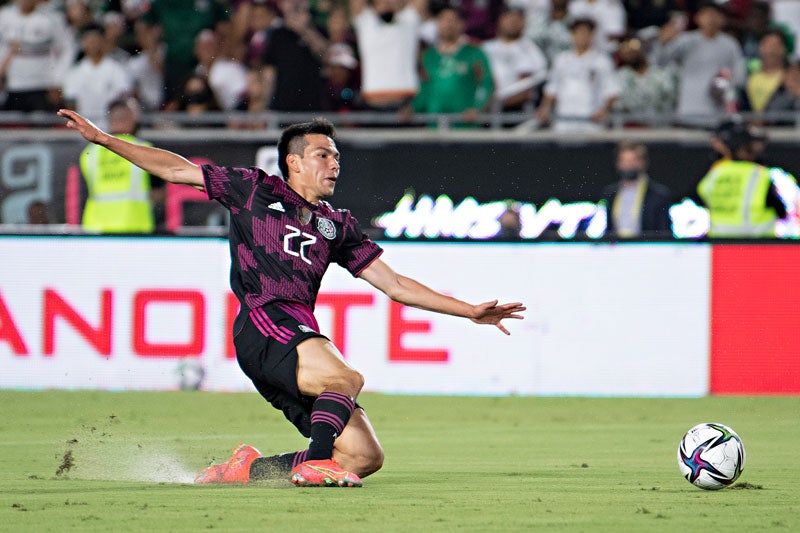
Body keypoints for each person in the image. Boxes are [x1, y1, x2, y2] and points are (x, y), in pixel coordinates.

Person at [57, 108, 525, 487]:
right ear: (294, 162)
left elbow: (394, 284)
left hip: (295, 333)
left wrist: (468, 311)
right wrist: (104, 139)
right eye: (323, 155)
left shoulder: (337, 224)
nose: (334, 163)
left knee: (362, 457)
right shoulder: (255, 189)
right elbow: (177, 169)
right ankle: (314, 463)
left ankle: (248, 470)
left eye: (337, 156)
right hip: (264, 320)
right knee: (345, 377)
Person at [650, 1, 746, 127]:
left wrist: (724, 85)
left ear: (722, 19)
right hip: (689, 111)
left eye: (715, 15)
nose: (710, 19)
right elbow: (659, 63)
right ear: (697, 18)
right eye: (706, 15)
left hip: (719, 114)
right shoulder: (687, 40)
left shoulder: (730, 44)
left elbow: (741, 77)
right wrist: (662, 43)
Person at [78, 98, 158, 234]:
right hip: (134, 227)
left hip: (96, 228)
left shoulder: (89, 153)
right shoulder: (145, 150)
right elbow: (158, 194)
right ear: (131, 118)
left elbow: (84, 193)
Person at [697, 120, 787, 237]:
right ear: (744, 149)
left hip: (720, 241)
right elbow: (780, 210)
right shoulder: (759, 174)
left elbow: (701, 194)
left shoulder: (717, 171)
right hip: (756, 242)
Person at [412, 5, 495, 125]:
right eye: (443, 20)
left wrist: (477, 107)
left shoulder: (475, 53)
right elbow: (424, 87)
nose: (448, 25)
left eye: (452, 20)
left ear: (462, 24)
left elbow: (487, 83)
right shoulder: (428, 56)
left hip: (465, 125)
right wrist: (414, 107)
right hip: (434, 125)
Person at [536, 17, 619, 132]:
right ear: (572, 35)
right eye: (579, 33)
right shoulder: (561, 59)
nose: (582, 37)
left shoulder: (602, 61)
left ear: (592, 35)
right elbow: (552, 88)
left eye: (586, 33)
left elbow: (611, 91)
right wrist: (545, 108)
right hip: (564, 118)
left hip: (591, 120)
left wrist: (604, 111)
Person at [62, 23, 133, 131]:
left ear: (103, 41)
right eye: (89, 41)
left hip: (111, 129)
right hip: (84, 129)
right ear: (83, 43)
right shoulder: (75, 72)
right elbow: (71, 103)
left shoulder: (117, 70)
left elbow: (123, 99)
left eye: (96, 40)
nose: (93, 44)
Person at [600, 141, 673, 238]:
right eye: (624, 161)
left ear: (642, 162)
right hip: (616, 249)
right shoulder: (610, 193)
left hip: (646, 249)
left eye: (632, 161)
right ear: (618, 163)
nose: (628, 165)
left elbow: (664, 231)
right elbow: (607, 227)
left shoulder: (658, 195)